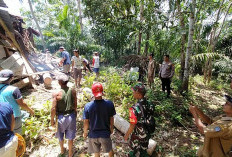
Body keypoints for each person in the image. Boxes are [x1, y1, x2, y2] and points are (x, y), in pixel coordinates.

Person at [83, 82, 116, 157]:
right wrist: (111, 128)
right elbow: (111, 118)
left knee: (96, 153)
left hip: (93, 134)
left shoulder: (88, 106)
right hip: (105, 134)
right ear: (102, 92)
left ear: (92, 93)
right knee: (110, 150)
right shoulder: (109, 104)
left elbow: (86, 122)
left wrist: (85, 132)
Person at [0, 69, 34, 134]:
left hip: (2, 116)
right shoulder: (13, 89)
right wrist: (31, 110)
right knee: (16, 134)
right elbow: (22, 104)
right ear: (12, 78)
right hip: (13, 116)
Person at [51, 74, 77, 157]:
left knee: (60, 135)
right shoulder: (73, 90)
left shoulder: (56, 93)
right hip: (71, 116)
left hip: (61, 117)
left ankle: (62, 150)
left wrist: (52, 119)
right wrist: (75, 111)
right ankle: (70, 153)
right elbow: (75, 103)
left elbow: (53, 108)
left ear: (59, 82)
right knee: (70, 136)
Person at [124, 83, 152, 157]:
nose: (133, 93)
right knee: (144, 149)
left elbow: (132, 125)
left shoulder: (133, 109)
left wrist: (127, 135)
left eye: (134, 92)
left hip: (137, 134)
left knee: (133, 149)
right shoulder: (150, 104)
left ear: (139, 95)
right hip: (148, 132)